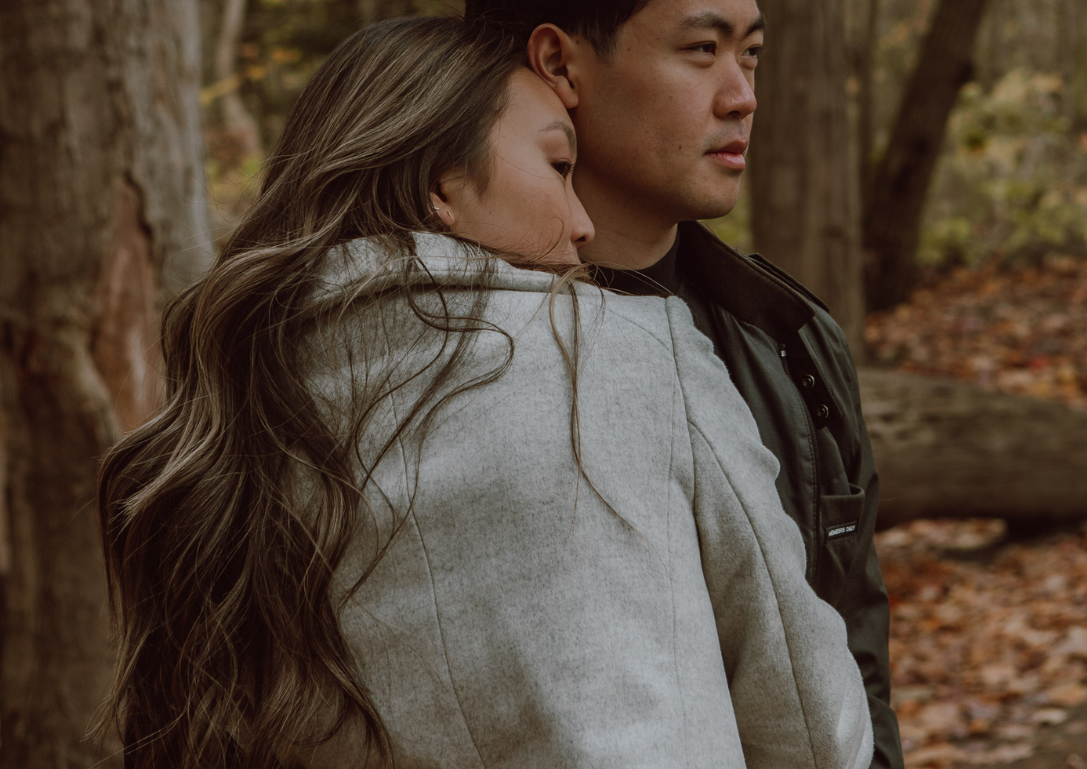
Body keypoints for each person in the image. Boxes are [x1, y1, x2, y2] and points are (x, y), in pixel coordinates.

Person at [95, 16, 874, 769]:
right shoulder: (635, 350)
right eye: (558, 167)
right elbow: (817, 730)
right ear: (442, 184)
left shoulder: (225, 412)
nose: (580, 222)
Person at [462, 2, 904, 768]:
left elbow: (856, 668)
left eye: (750, 53)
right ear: (561, 65)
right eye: (702, 49)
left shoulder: (792, 340)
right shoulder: (433, 365)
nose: (742, 96)